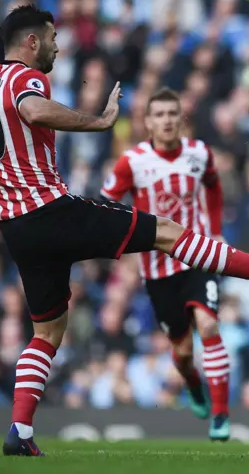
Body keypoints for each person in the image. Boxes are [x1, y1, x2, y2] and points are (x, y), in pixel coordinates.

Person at [0, 4, 249, 456]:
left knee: (47, 332)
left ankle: (19, 431)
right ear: (30, 43)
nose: (58, 46)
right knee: (165, 230)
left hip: (14, 227)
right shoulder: (27, 78)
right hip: (49, 211)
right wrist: (97, 121)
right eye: (52, 37)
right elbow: (35, 110)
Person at [101, 87, 231, 441]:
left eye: (173, 114)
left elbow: (214, 188)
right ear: (148, 123)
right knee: (184, 351)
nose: (167, 120)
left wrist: (215, 232)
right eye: (159, 115)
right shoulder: (133, 161)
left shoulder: (199, 153)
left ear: (181, 118)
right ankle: (192, 383)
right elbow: (105, 205)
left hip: (198, 256)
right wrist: (123, 249)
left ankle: (221, 415)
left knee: (208, 325)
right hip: (157, 270)